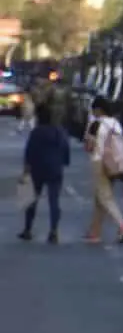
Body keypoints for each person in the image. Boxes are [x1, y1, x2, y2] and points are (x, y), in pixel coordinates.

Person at [83, 97, 123, 245]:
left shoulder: (96, 124)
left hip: (99, 162)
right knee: (100, 197)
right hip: (115, 163)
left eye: (94, 109)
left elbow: (89, 146)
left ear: (99, 109)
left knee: (105, 198)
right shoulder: (116, 124)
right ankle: (95, 231)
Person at [19, 102, 68, 243]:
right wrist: (63, 162)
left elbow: (30, 152)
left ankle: (27, 229)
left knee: (32, 199)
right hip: (55, 169)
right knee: (54, 201)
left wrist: (25, 171)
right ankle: (53, 230)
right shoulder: (59, 131)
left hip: (37, 169)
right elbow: (65, 149)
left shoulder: (36, 132)